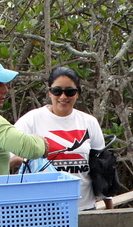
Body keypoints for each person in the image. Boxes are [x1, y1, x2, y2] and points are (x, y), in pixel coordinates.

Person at [13, 66, 114, 210]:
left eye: (70, 92)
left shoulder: (89, 122)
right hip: (41, 211)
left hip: (84, 207)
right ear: (49, 92)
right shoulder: (30, 120)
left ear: (78, 94)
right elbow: (8, 159)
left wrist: (110, 209)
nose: (63, 97)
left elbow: (102, 170)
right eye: (57, 91)